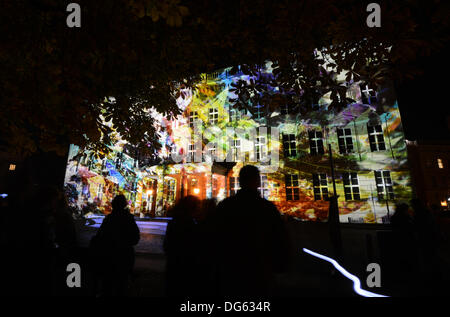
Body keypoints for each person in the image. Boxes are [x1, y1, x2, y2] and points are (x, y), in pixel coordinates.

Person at [213, 165, 291, 296]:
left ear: (239, 182)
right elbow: (280, 240)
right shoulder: (267, 208)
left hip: (230, 271)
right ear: (258, 181)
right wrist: (280, 265)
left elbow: (214, 238)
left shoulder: (225, 206)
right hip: (260, 270)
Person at [90, 195, 140, 296]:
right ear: (125, 205)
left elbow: (100, 237)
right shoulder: (128, 219)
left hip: (109, 256)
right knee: (121, 286)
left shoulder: (109, 219)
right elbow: (135, 238)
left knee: (108, 285)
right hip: (124, 256)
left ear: (113, 205)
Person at [163, 195, 201, 296]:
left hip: (173, 266)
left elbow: (166, 245)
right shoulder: (192, 225)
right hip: (187, 269)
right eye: (197, 208)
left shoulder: (173, 223)